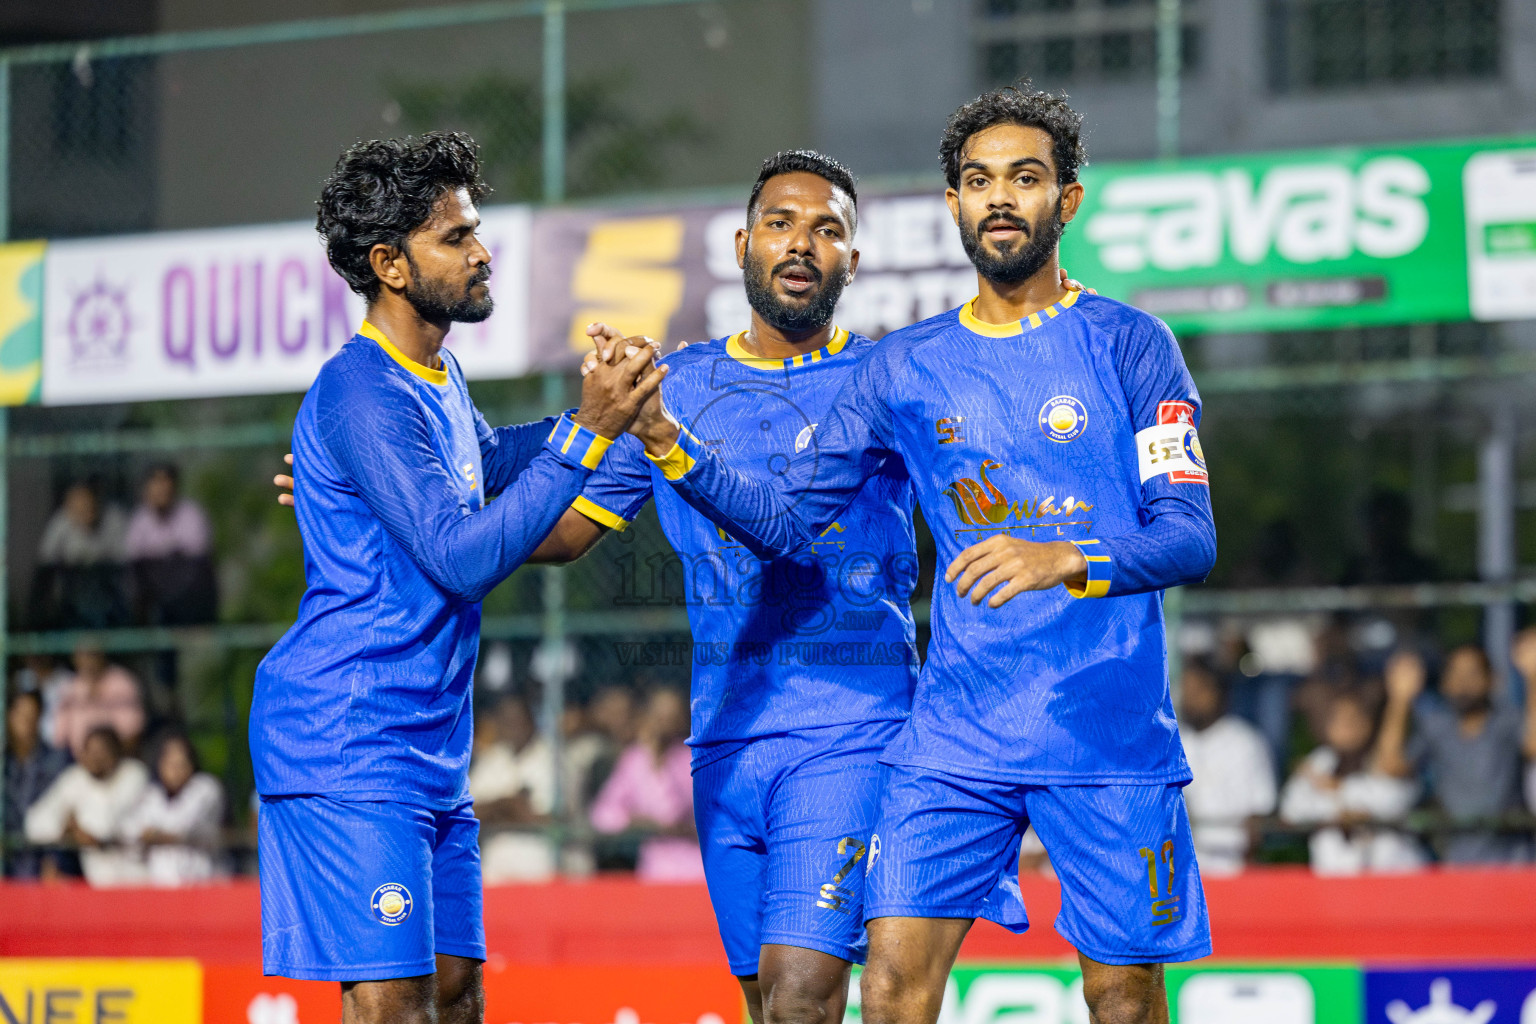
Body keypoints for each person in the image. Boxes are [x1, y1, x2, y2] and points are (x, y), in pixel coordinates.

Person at [626, 84, 1216, 1023]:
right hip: (956, 739)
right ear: (952, 205)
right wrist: (667, 443)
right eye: (978, 181)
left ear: (1067, 199)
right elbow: (787, 523)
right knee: (892, 988)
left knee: (1124, 998)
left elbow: (1189, 535)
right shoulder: (902, 367)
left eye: (1025, 179)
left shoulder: (1132, 345)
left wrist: (1066, 559)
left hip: (1105, 731)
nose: (999, 199)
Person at [246, 130, 661, 1024]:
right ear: (391, 264)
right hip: (346, 737)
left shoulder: (436, 375)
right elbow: (462, 556)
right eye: (457, 237)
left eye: (478, 230)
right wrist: (590, 432)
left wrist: (616, 412)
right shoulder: (362, 391)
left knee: (459, 997)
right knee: (393, 1005)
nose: (481, 252)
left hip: (428, 748)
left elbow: (500, 462)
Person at [1376, 645, 1536, 863]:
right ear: (1444, 683)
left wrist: (1533, 677)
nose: (1463, 683)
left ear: (1493, 680)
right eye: (1456, 674)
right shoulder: (1437, 727)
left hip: (1513, 862)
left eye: (1472, 674)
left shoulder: (1507, 721)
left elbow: (1533, 745)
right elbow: (1390, 766)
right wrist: (1399, 699)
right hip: (1458, 864)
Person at [1279, 691, 1422, 875]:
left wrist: (1338, 789)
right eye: (1338, 719)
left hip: (1391, 877)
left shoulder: (1388, 760)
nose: (1346, 726)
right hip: (1333, 879)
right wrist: (1337, 808)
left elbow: (1392, 801)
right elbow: (1291, 810)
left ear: (1368, 723)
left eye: (1354, 718)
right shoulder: (1318, 763)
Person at [589, 686, 701, 881]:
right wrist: (633, 820)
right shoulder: (635, 759)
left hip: (694, 865)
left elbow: (672, 812)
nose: (664, 724)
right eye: (659, 716)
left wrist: (659, 765)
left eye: (671, 717)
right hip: (654, 867)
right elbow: (602, 815)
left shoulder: (691, 757)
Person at [1177, 659, 1276, 875]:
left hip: (1232, 869)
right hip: (1181, 874)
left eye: (1199, 690)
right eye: (1186, 690)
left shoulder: (1246, 742)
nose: (1190, 698)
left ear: (1220, 693)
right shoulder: (1174, 743)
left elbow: (1260, 811)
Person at [23, 726, 149, 886]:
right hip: (96, 882)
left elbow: (107, 825)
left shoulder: (134, 773)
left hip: (136, 880)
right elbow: (34, 823)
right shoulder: (75, 777)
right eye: (90, 751)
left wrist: (81, 829)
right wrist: (65, 828)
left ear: (117, 752)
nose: (95, 758)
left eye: (102, 750)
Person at [469, 695, 557, 882]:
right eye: (506, 721)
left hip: (539, 863)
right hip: (494, 864)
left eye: (518, 720)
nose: (512, 727)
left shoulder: (552, 760)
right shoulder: (491, 759)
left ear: (531, 721)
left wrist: (495, 810)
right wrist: (506, 804)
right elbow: (470, 814)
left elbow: (544, 819)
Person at [119, 733, 226, 886]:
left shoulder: (206, 787)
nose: (175, 771)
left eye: (181, 764)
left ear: (191, 764)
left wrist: (154, 835)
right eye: (170, 764)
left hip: (202, 882)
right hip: (160, 886)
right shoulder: (150, 795)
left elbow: (183, 827)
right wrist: (151, 836)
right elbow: (129, 833)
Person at [124, 464, 218, 626]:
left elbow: (199, 559)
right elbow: (134, 561)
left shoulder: (191, 514)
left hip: (187, 592)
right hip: (154, 594)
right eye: (156, 482)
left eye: (165, 482)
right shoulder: (139, 519)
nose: (161, 489)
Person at [3, 690, 70, 877]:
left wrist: (54, 859)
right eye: (20, 713)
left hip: (45, 859)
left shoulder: (58, 760)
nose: (26, 721)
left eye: (31, 714)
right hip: (7, 859)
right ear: (9, 715)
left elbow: (65, 812)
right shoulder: (4, 763)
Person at [51, 643, 146, 758]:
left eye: (92, 655)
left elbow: (133, 734)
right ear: (75, 660)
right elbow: (60, 739)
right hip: (78, 762)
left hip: (118, 760)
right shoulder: (70, 688)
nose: (88, 662)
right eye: (83, 656)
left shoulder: (122, 682)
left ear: (102, 657)